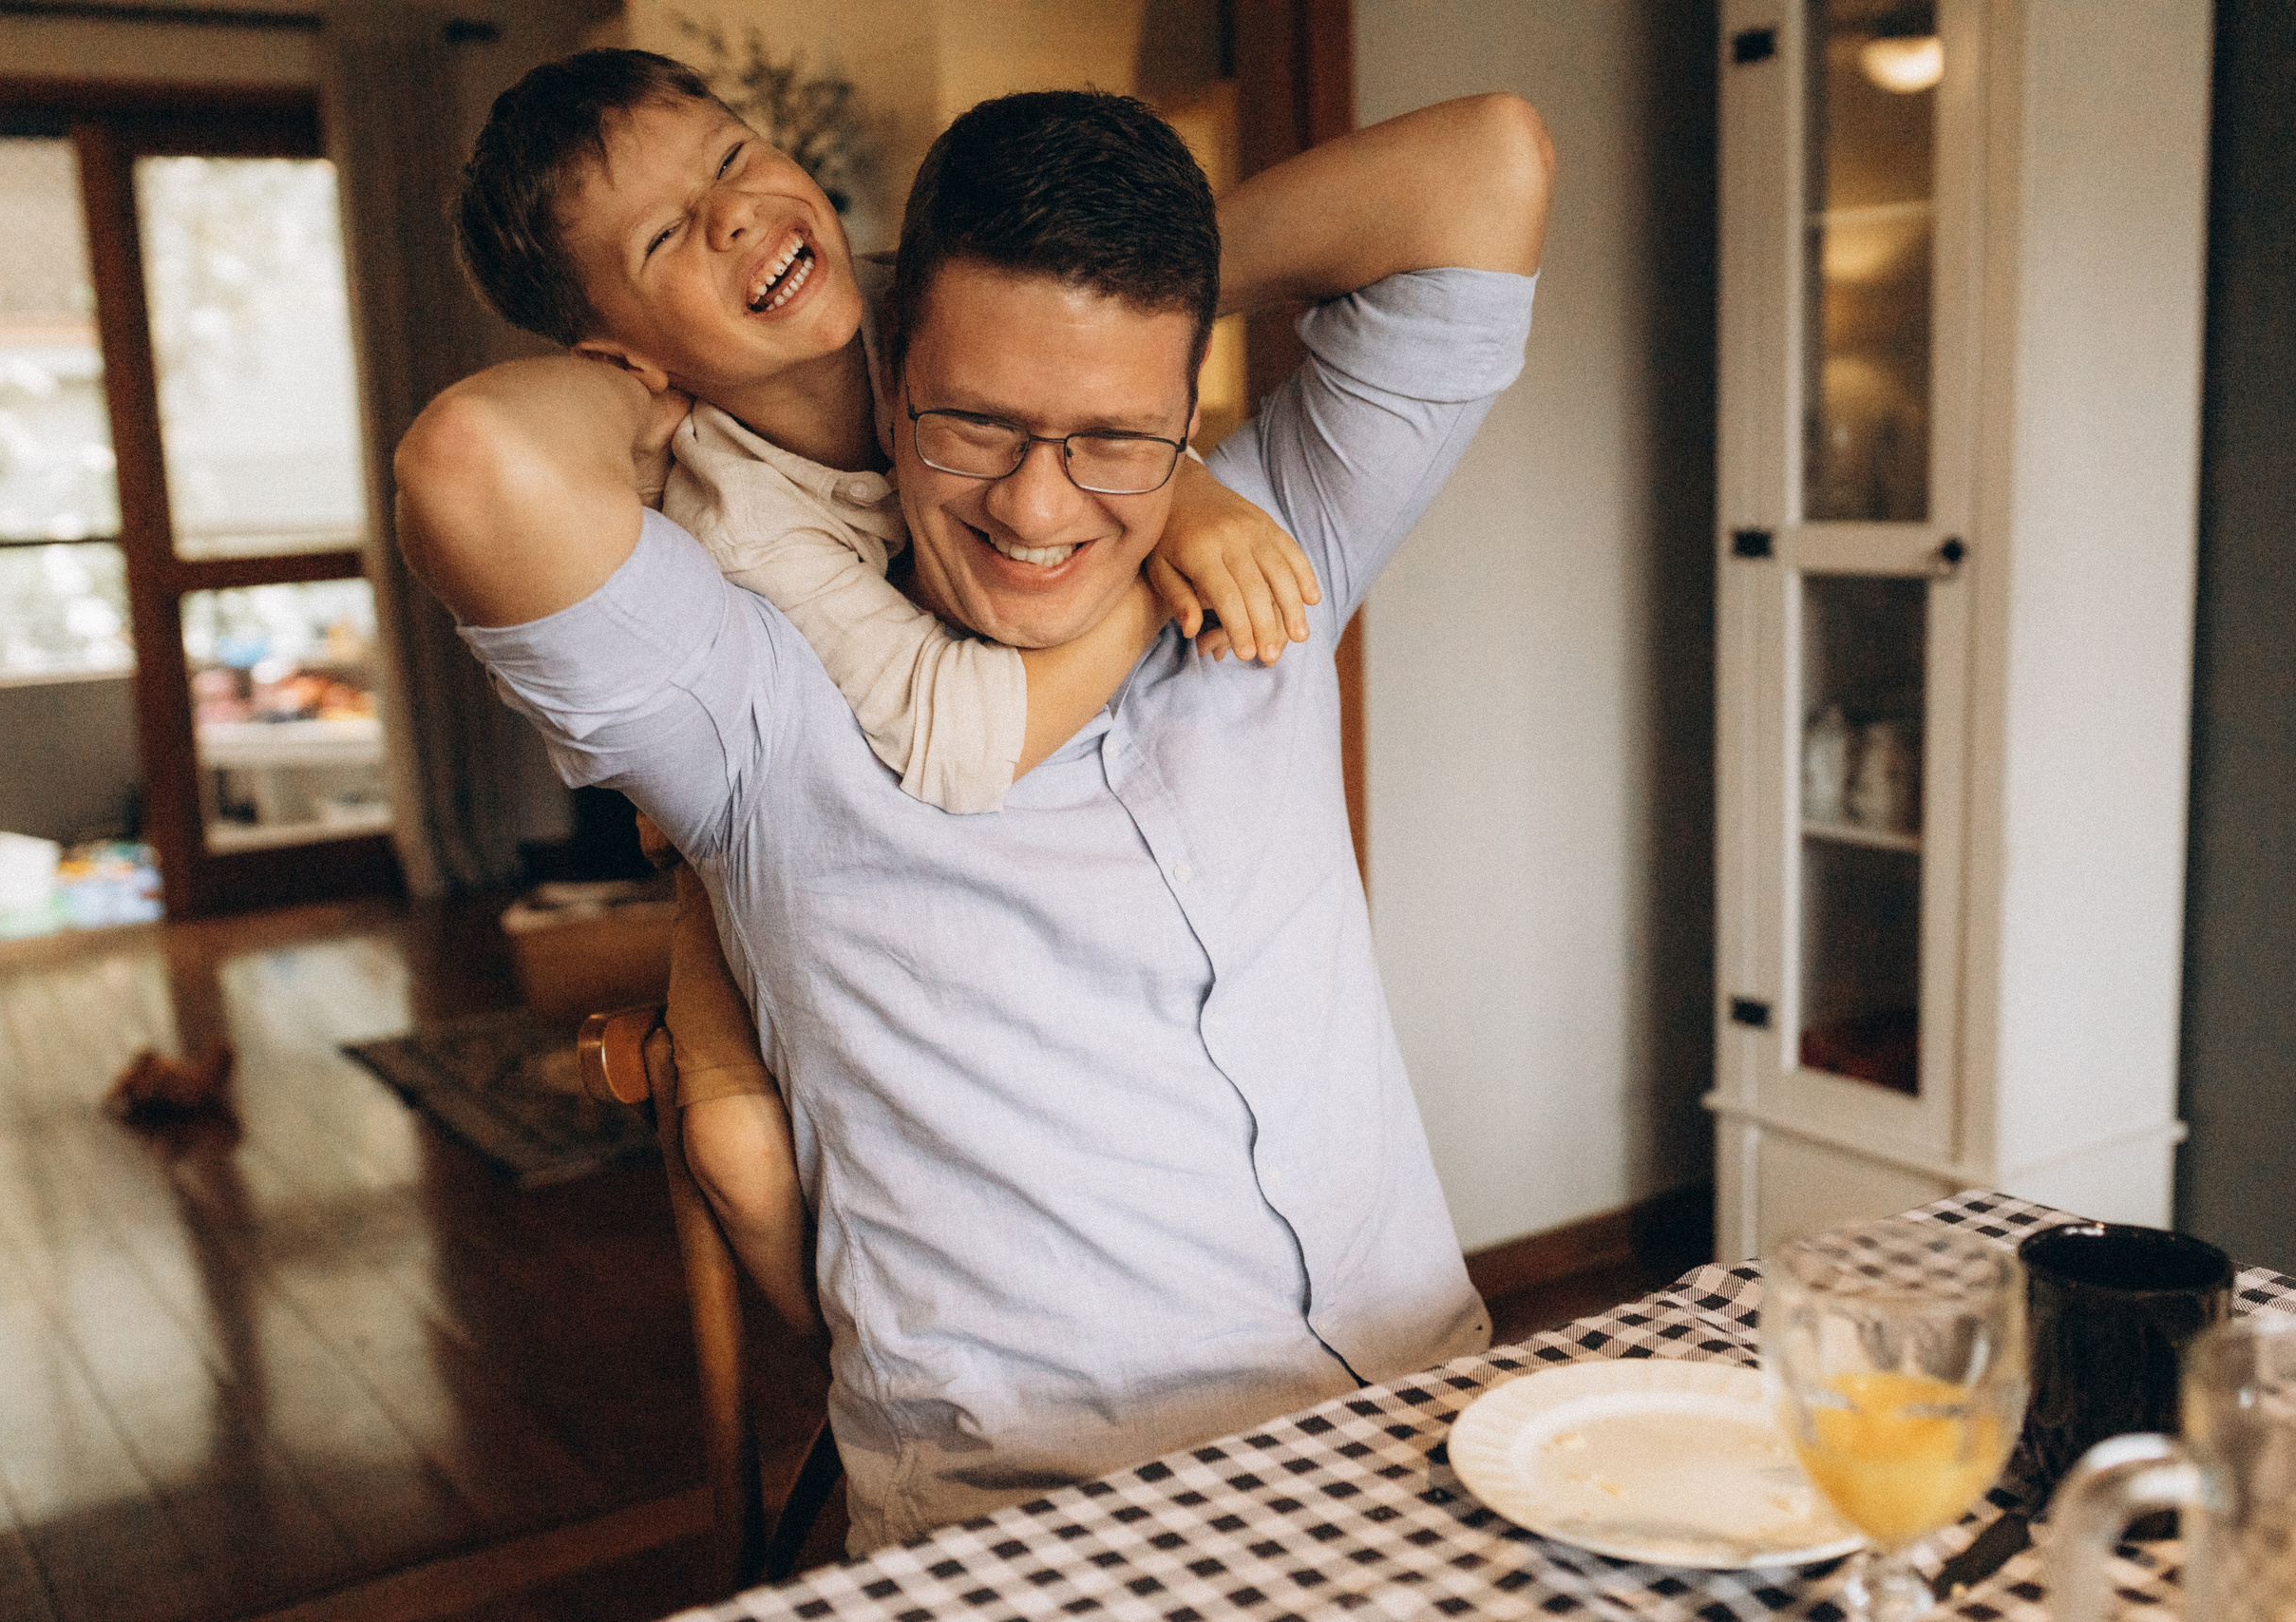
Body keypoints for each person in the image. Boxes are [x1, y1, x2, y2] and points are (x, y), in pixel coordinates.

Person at [399, 85, 1553, 1549]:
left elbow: (1487, 162)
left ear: (1185, 403)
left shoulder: (1271, 531)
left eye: (1117, 431)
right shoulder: (752, 703)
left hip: (1418, 1430)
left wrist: (1102, 324)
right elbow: (471, 465)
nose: (1040, 505)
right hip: (1058, 1524)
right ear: (893, 386)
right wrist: (655, 385)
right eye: (981, 421)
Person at [434, 49, 1317, 1343]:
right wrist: (1150, 505)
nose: (734, 212)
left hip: (981, 798)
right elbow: (956, 736)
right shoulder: (737, 516)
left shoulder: (942, 295)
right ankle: (866, 1384)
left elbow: (1101, 375)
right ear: (615, 351)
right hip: (779, 836)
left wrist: (1173, 474)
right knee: (737, 1148)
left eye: (732, 159)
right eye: (671, 233)